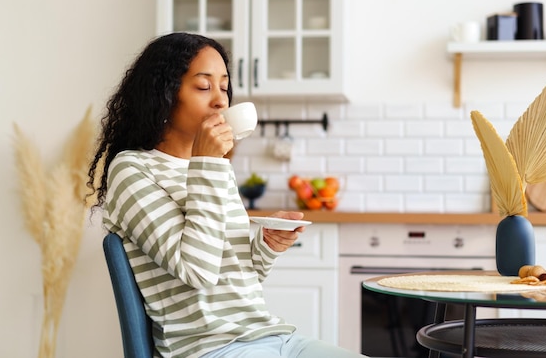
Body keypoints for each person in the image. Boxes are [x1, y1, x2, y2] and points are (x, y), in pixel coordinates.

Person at [87, 32, 366, 358]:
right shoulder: (132, 170)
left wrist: (265, 246)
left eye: (224, 87)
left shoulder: (213, 167)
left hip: (272, 337)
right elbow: (199, 272)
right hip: (210, 349)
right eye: (204, 87)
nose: (220, 100)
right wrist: (207, 163)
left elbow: (236, 281)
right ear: (163, 95)